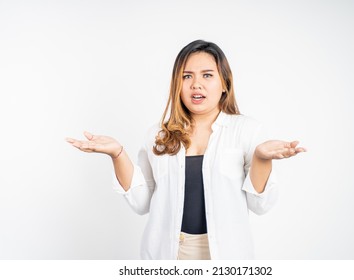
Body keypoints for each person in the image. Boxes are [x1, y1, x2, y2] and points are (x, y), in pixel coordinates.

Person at [66, 40, 306, 260]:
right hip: (169, 252)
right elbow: (141, 203)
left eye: (207, 75)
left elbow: (260, 205)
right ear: (177, 84)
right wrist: (117, 153)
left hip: (225, 254)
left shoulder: (246, 130)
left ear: (224, 83)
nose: (196, 84)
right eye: (187, 76)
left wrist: (261, 158)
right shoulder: (158, 135)